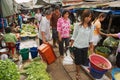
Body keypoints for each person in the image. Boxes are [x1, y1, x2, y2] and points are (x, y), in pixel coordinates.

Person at [70, 9, 94, 80]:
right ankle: (77, 73)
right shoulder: (78, 25)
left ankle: (80, 69)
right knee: (78, 61)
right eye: (87, 17)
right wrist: (71, 46)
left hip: (85, 46)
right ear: (83, 16)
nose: (88, 19)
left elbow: (91, 38)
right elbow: (74, 36)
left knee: (83, 61)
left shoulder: (91, 26)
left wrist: (91, 48)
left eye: (90, 17)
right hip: (77, 46)